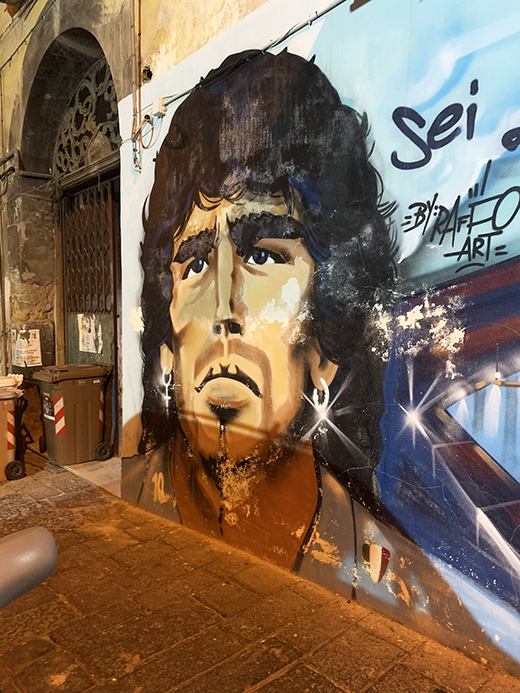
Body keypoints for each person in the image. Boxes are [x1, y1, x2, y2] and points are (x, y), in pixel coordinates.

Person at [127, 48, 396, 570]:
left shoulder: (390, 578)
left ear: (324, 348)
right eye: (196, 263)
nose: (222, 310)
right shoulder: (133, 509)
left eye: (262, 256)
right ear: (168, 349)